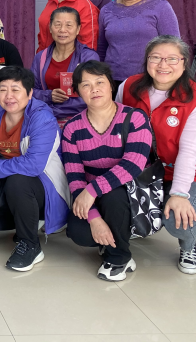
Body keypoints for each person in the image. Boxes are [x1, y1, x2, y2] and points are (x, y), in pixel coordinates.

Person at [119, 35, 196, 275]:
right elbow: (116, 128)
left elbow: (189, 152)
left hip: (190, 173)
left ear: (184, 63)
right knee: (113, 200)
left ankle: (189, 246)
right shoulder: (129, 86)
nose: (163, 65)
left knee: (177, 219)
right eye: (155, 58)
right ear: (146, 61)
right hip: (143, 169)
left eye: (172, 59)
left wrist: (180, 194)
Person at [0, 66, 69, 272]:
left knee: (18, 180)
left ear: (29, 93)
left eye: (15, 90)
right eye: (3, 90)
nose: (9, 96)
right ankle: (28, 220)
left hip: (43, 185)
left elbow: (33, 165)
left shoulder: (42, 119)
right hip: (8, 182)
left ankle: (30, 245)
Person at [63, 61, 153, 281]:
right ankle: (110, 236)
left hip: (131, 194)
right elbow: (75, 177)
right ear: (78, 92)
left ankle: (119, 257)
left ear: (111, 85)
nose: (94, 89)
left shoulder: (135, 118)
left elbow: (133, 164)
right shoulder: (72, 128)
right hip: (92, 195)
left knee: (114, 196)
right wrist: (94, 219)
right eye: (86, 85)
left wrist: (92, 190)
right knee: (79, 232)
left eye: (99, 82)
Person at [98, 0, 180, 87]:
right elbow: (101, 48)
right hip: (113, 80)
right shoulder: (106, 10)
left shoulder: (161, 7)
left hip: (149, 80)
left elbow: (174, 47)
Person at [32, 7, 99, 128]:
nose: (62, 30)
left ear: (78, 29)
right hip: (45, 118)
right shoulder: (40, 58)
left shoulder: (88, 57)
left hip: (80, 119)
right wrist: (49, 96)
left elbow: (93, 94)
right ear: (50, 28)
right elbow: (30, 91)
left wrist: (54, 109)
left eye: (69, 25)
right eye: (57, 24)